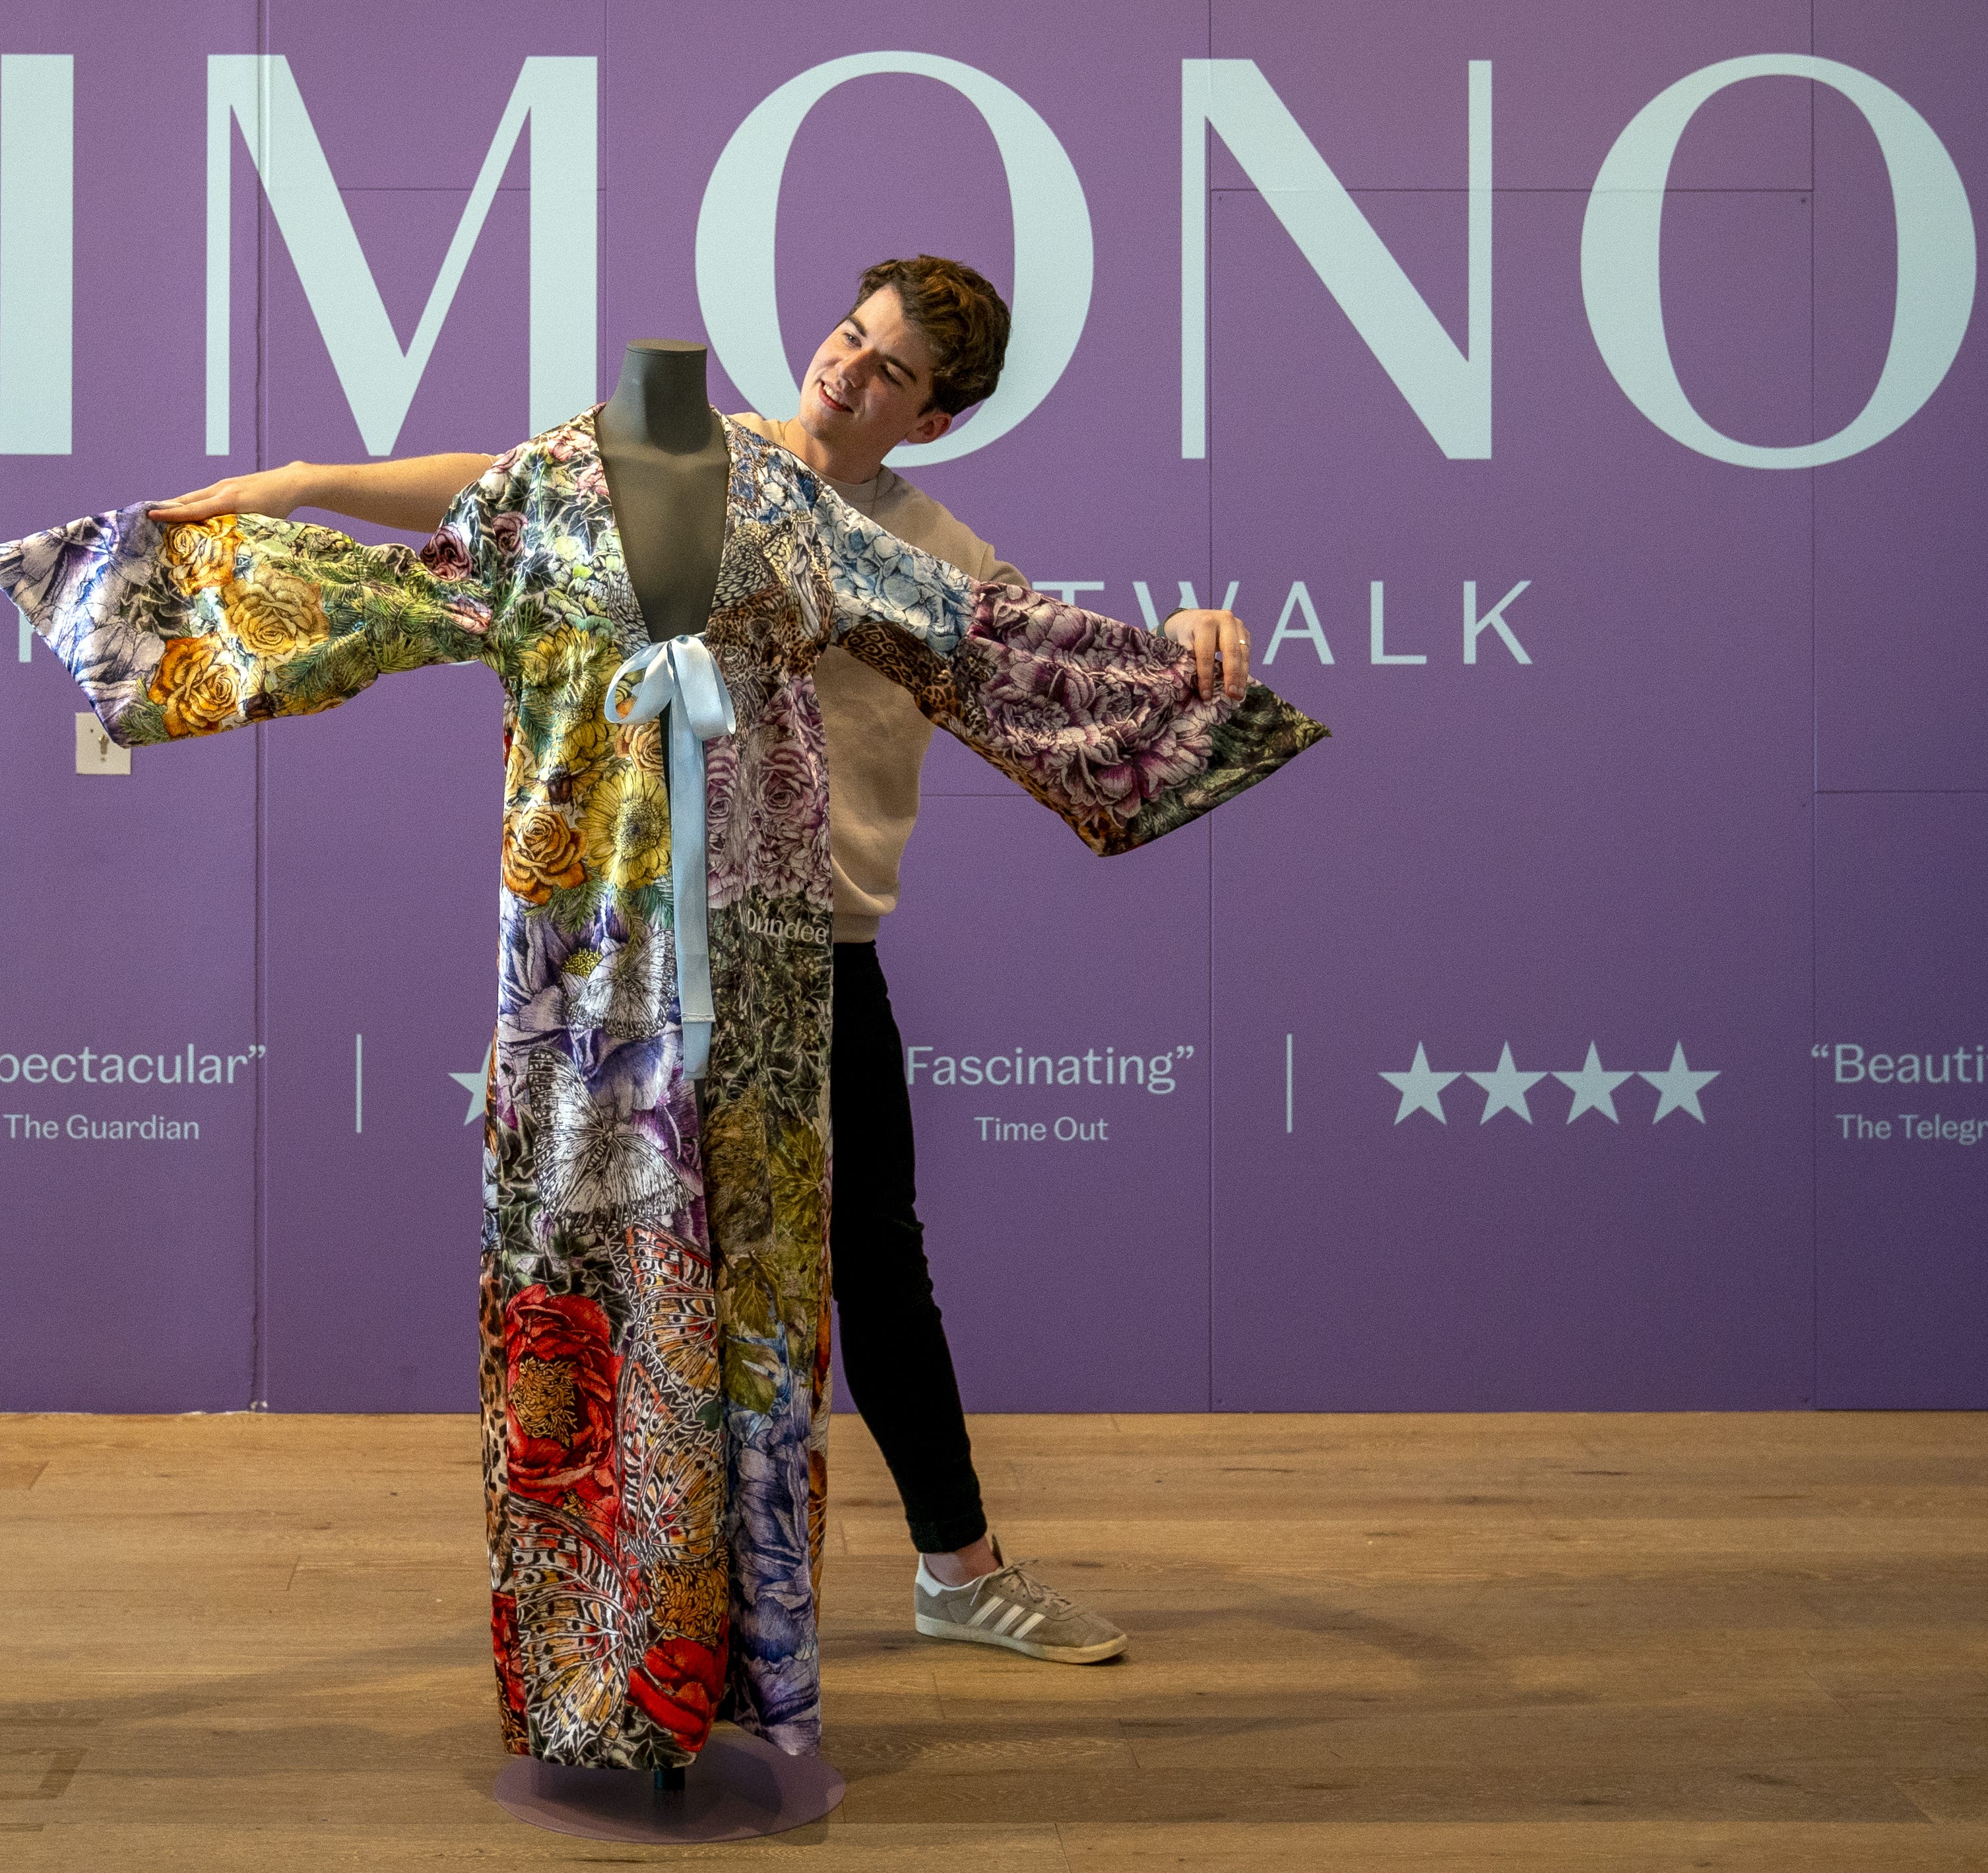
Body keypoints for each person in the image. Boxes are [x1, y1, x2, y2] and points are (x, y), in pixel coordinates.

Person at [155, 255, 1253, 1664]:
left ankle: (957, 1570)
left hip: (811, 955)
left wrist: (1182, 642)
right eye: (849, 338)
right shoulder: (697, 462)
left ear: (927, 417)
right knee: (621, 1262)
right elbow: (495, 490)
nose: (844, 370)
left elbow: (1056, 669)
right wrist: (298, 478)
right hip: (633, 949)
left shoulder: (932, 554)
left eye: (890, 370)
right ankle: (638, 1613)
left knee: (874, 1260)